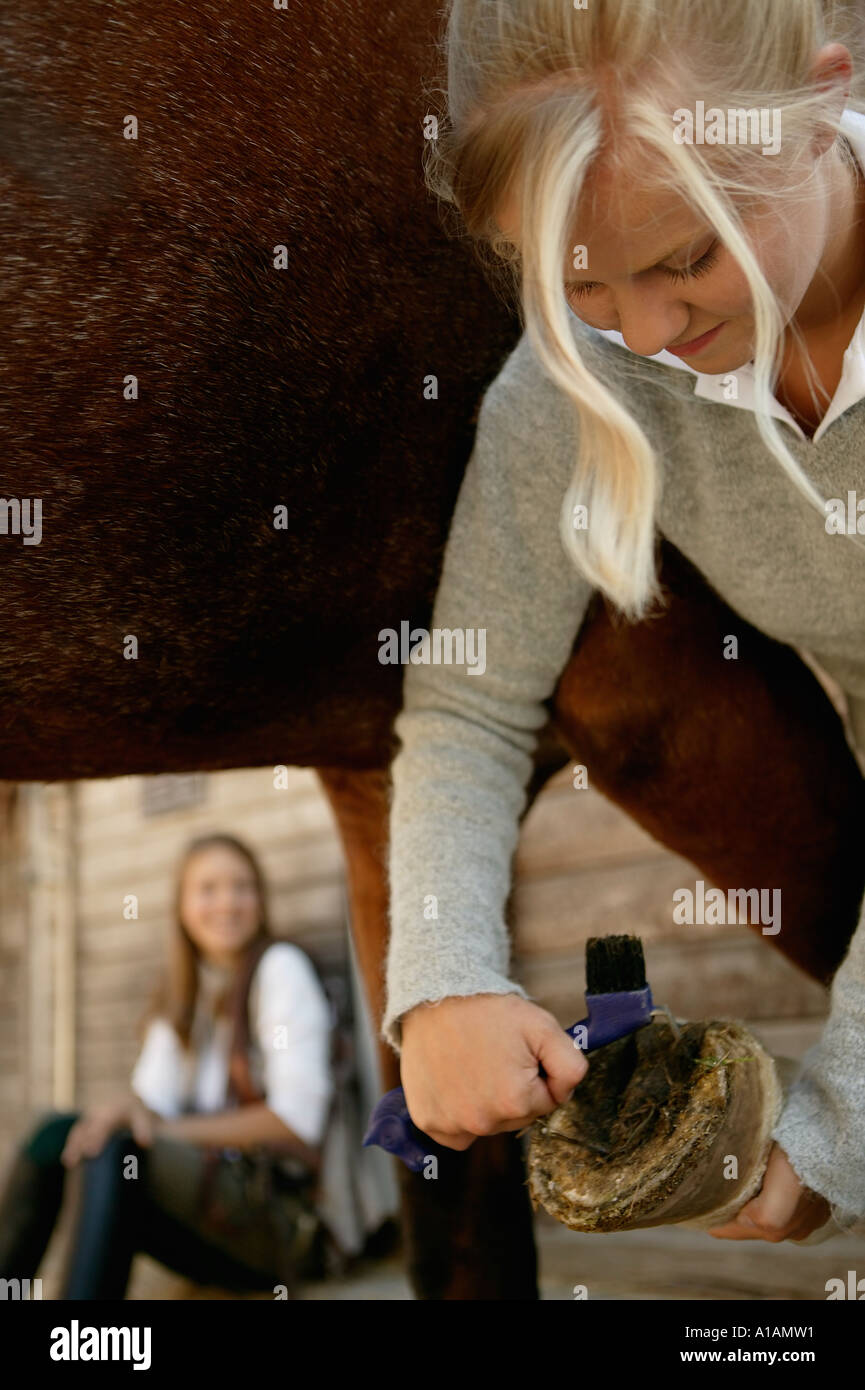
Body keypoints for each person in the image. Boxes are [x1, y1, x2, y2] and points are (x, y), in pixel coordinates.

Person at [384, 0, 865, 1245]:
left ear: (821, 104)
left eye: (689, 255)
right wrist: (441, 979)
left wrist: (833, 1131)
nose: (648, 337)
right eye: (579, 281)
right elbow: (471, 698)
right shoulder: (572, 381)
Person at [0, 833, 334, 1298]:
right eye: (209, 888)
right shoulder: (182, 993)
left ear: (260, 899)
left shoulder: (280, 968)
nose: (228, 902)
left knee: (118, 1148)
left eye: (242, 886)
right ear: (181, 906)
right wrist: (125, 1110)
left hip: (274, 1225)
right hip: (208, 1213)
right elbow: (150, 1103)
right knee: (59, 1135)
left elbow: (297, 1123)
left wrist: (160, 1130)